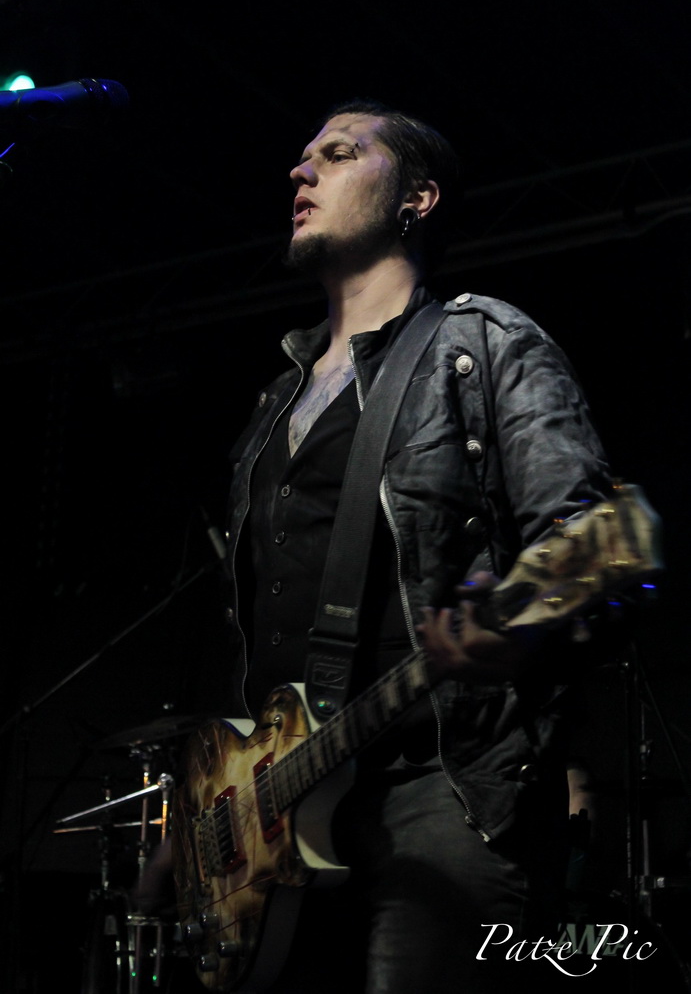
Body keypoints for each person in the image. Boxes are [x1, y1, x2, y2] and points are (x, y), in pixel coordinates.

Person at [171, 99, 615, 994]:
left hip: (435, 783)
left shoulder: (480, 343)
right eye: (303, 157)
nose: (301, 171)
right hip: (280, 812)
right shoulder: (273, 407)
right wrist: (198, 830)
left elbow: (586, 544)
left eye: (337, 154)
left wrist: (515, 635)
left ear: (417, 197)